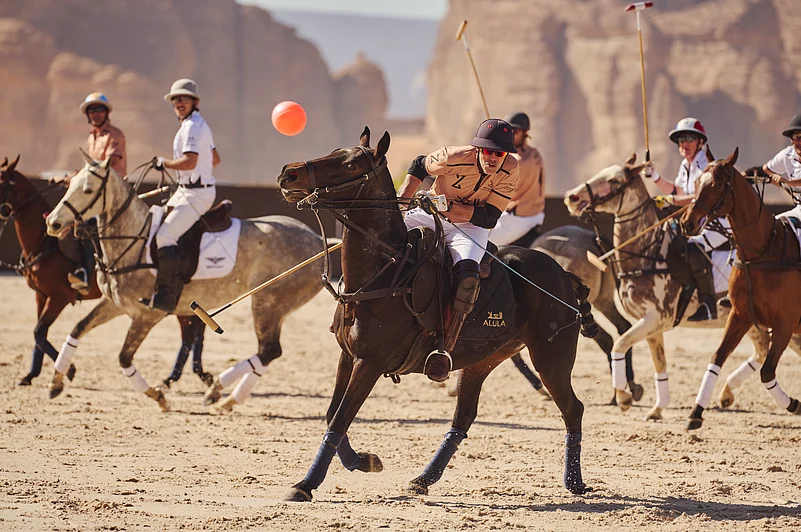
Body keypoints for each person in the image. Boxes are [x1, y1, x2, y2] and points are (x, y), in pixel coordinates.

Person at [397, 118, 519, 382]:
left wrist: (449, 209)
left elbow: (488, 219)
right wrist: (403, 202)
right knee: (384, 237)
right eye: (488, 151)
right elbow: (420, 164)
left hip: (470, 229)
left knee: (467, 277)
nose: (494, 158)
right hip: (428, 216)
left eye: (500, 153)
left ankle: (444, 348)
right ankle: (350, 312)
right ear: (478, 149)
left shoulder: (511, 169)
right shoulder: (452, 156)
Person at [141, 78, 221, 313]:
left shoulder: (193, 127)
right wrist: (196, 174)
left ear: (195, 101)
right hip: (187, 190)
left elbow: (189, 161)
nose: (179, 102)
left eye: (184, 98)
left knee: (165, 237)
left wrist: (165, 163)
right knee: (153, 225)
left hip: (197, 195)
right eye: (175, 99)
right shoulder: (193, 125)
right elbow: (215, 159)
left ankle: (167, 296)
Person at [645, 117, 730, 321]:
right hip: (696, 220)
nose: (685, 144)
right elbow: (679, 190)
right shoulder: (685, 164)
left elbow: (699, 198)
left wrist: (671, 200)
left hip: (717, 222)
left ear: (700, 142)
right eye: (681, 139)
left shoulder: (706, 165)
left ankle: (709, 305)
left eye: (690, 139)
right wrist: (655, 177)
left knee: (693, 248)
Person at [67, 92, 127, 295]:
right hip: (95, 191)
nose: (96, 114)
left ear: (106, 113)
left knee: (85, 222)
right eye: (92, 110)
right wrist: (71, 176)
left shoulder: (114, 135)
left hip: (112, 192)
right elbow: (90, 169)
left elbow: (105, 167)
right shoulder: (91, 138)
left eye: (99, 109)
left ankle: (89, 273)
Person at [488, 111, 545, 247]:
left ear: (525, 133)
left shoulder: (518, 161)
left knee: (480, 242)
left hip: (521, 217)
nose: (510, 134)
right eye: (507, 130)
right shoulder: (533, 152)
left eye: (514, 131)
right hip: (526, 213)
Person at [759, 113, 801, 220]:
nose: (800, 142)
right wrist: (776, 180)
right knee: (773, 227)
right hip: (799, 210)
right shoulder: (787, 155)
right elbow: (766, 169)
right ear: (791, 139)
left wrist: (788, 183)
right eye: (797, 137)